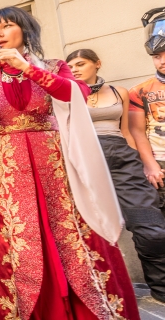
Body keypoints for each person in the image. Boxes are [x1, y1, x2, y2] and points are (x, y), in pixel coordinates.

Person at [0, 7, 139, 319]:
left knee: (69, 234)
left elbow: (78, 93)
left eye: (6, 26)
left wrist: (28, 69)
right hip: (9, 172)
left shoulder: (53, 66)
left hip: (56, 166)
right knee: (20, 239)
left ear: (25, 30)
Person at [68, 48, 165, 304]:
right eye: (71, 65)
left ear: (97, 64)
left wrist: (142, 163)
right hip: (85, 157)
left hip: (122, 156)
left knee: (151, 227)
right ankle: (96, 291)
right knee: (89, 227)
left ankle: (161, 290)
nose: (76, 69)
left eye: (81, 63)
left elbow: (127, 132)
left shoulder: (118, 92)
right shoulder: (65, 95)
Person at [128, 6, 165, 304]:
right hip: (160, 166)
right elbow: (137, 131)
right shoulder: (140, 90)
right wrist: (150, 165)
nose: (162, 61)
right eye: (156, 56)